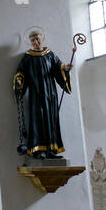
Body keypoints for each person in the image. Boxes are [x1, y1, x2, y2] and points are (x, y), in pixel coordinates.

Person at [13, 28, 73, 156]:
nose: (36, 42)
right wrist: (19, 80)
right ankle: (38, 149)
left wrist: (65, 68)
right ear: (30, 42)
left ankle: (52, 148)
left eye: (37, 39)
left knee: (51, 119)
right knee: (37, 120)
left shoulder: (49, 54)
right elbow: (20, 72)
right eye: (33, 40)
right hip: (36, 95)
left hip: (50, 94)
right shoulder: (28, 57)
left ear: (42, 39)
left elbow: (59, 67)